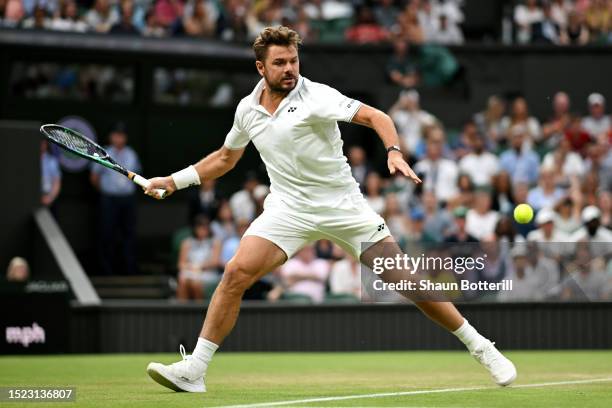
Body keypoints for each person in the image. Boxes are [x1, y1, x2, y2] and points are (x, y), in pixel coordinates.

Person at [144, 26, 516, 393]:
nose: (290, 68)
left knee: (410, 283)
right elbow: (226, 157)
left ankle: (481, 346)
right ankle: (195, 369)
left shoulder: (318, 96)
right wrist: (173, 181)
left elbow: (378, 118)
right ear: (261, 68)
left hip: (343, 207)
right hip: (288, 209)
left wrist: (393, 152)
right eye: (280, 63)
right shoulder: (247, 110)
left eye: (293, 60)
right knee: (235, 274)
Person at [90, 123, 141, 275]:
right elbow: (94, 177)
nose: (119, 138)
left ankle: (130, 269)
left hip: (127, 200)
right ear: (111, 136)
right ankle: (106, 270)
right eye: (116, 135)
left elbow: (137, 175)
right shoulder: (103, 153)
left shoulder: (132, 154)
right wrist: (106, 191)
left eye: (122, 135)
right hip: (109, 200)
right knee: (107, 233)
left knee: (129, 233)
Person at [177, 215, 221, 301]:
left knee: (195, 283)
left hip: (208, 273)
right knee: (182, 280)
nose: (202, 230)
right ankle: (182, 310)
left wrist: (199, 267)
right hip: (190, 272)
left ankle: (199, 310)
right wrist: (191, 268)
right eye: (200, 227)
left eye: (205, 228)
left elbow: (215, 262)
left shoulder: (215, 242)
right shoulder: (186, 243)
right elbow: (181, 264)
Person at [40, 139, 62, 210]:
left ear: (46, 144)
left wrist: (50, 198)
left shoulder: (52, 161)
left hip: (47, 197)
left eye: (43, 142)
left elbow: (57, 182)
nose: (41, 145)